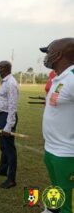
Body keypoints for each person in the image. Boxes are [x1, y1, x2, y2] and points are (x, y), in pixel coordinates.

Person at [40, 38, 74, 213]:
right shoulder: (59, 78)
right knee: (58, 189)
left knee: (70, 205)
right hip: (52, 148)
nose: (46, 57)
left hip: (67, 154)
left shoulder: (73, 78)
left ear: (59, 55)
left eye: (48, 52)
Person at [0, 61, 19, 189]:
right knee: (3, 147)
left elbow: (13, 106)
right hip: (1, 116)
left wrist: (8, 125)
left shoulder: (11, 83)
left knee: (9, 149)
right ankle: (2, 169)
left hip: (7, 118)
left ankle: (11, 179)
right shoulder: (4, 81)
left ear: (5, 69)